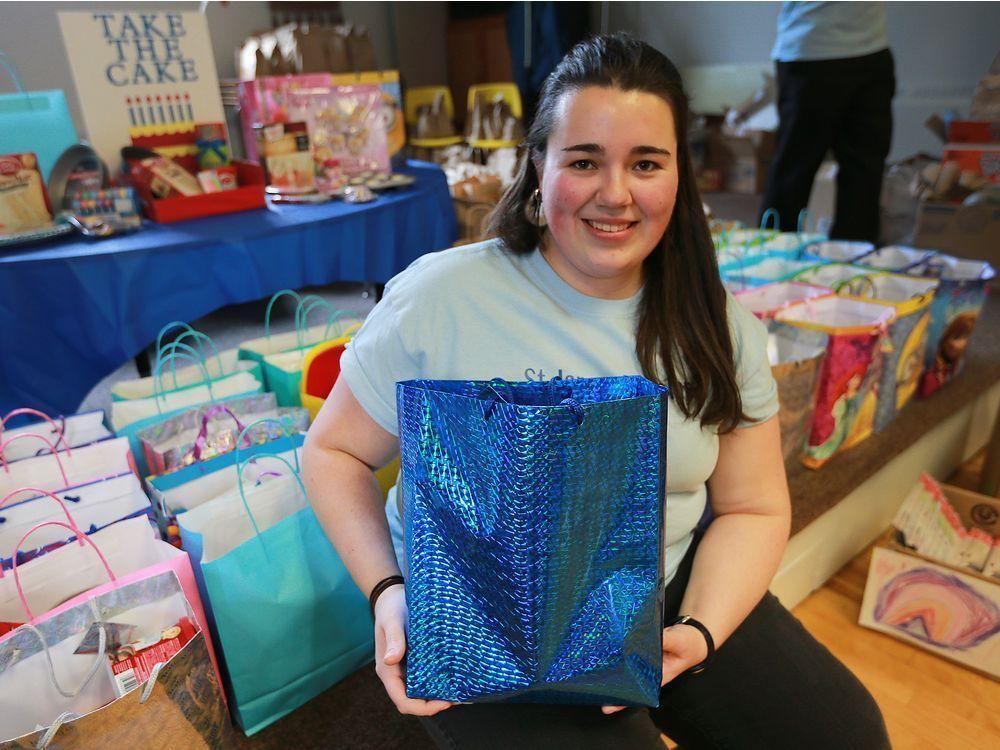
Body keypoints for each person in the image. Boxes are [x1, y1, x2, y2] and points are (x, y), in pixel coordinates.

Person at [303, 33, 890, 749]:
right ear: (538, 167)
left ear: (680, 175)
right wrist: (391, 594)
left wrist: (698, 632)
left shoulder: (715, 323)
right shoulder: (441, 297)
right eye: (584, 161)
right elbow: (333, 453)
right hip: (486, 615)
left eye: (646, 163)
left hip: (662, 584)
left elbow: (754, 507)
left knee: (850, 735)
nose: (616, 194)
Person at [760, 1, 895, 244]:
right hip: (810, 51)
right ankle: (768, 262)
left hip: (872, 49)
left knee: (865, 176)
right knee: (793, 174)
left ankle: (854, 266)